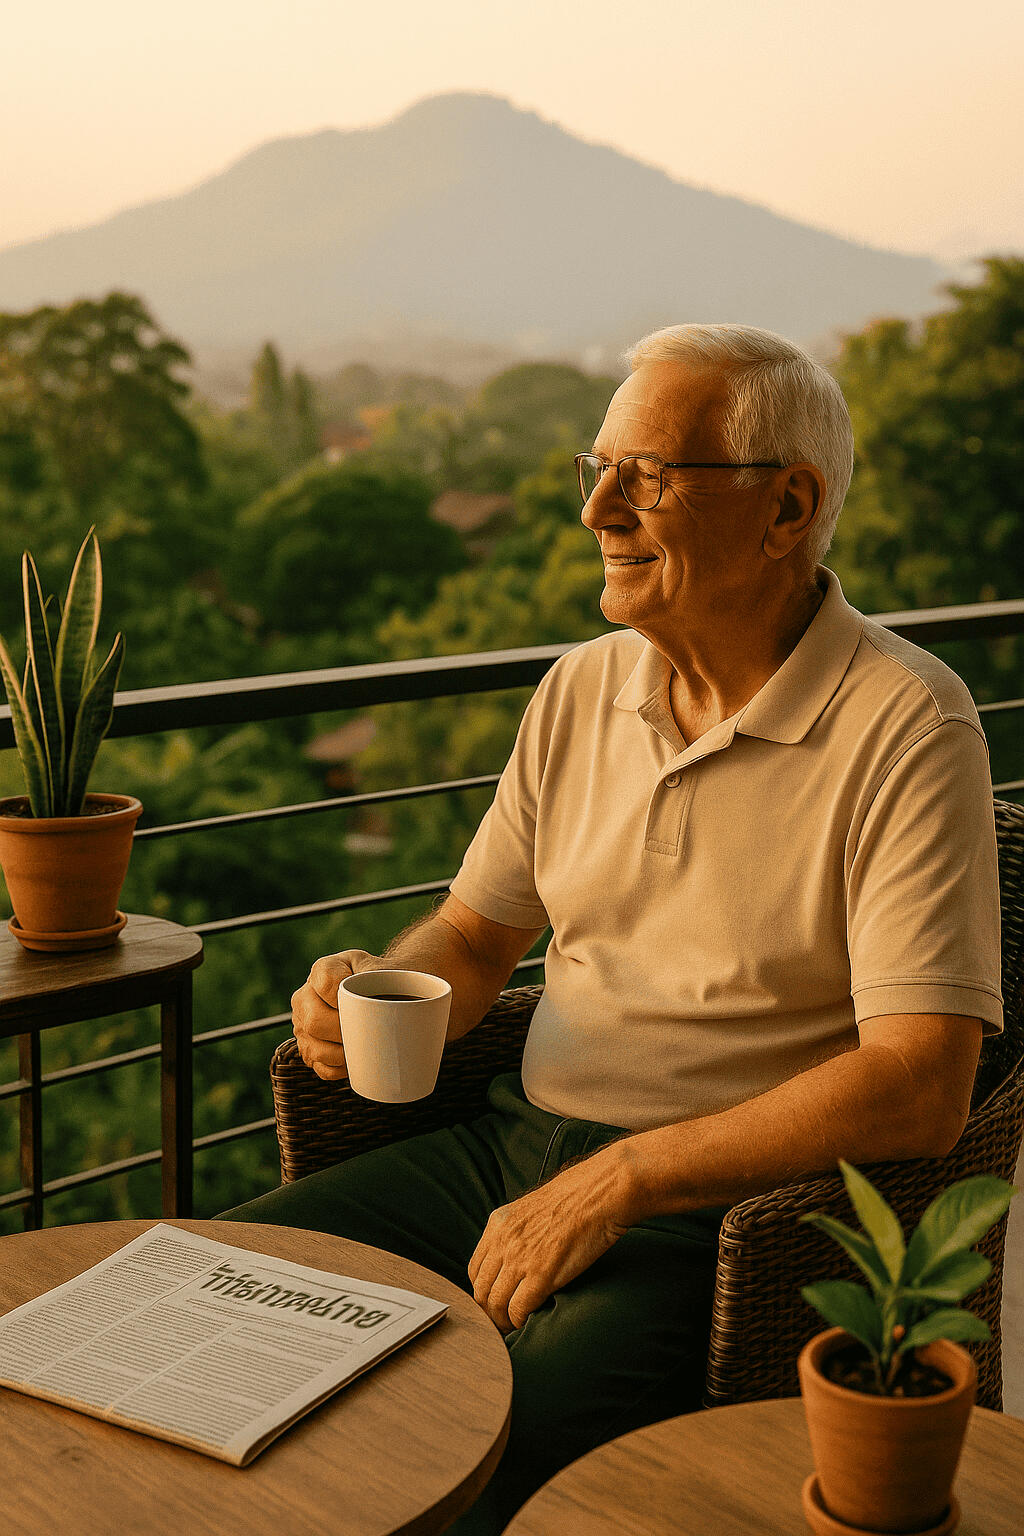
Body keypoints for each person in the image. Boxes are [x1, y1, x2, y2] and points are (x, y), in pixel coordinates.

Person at [218, 324, 1003, 1534]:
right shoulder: (583, 687)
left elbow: (920, 1084)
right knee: (204, 1288)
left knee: (475, 1455)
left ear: (785, 508)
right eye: (598, 468)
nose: (598, 509)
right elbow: (475, 939)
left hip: (715, 1217)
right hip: (502, 1150)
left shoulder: (909, 728)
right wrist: (378, 986)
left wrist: (628, 1178)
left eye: (648, 476)